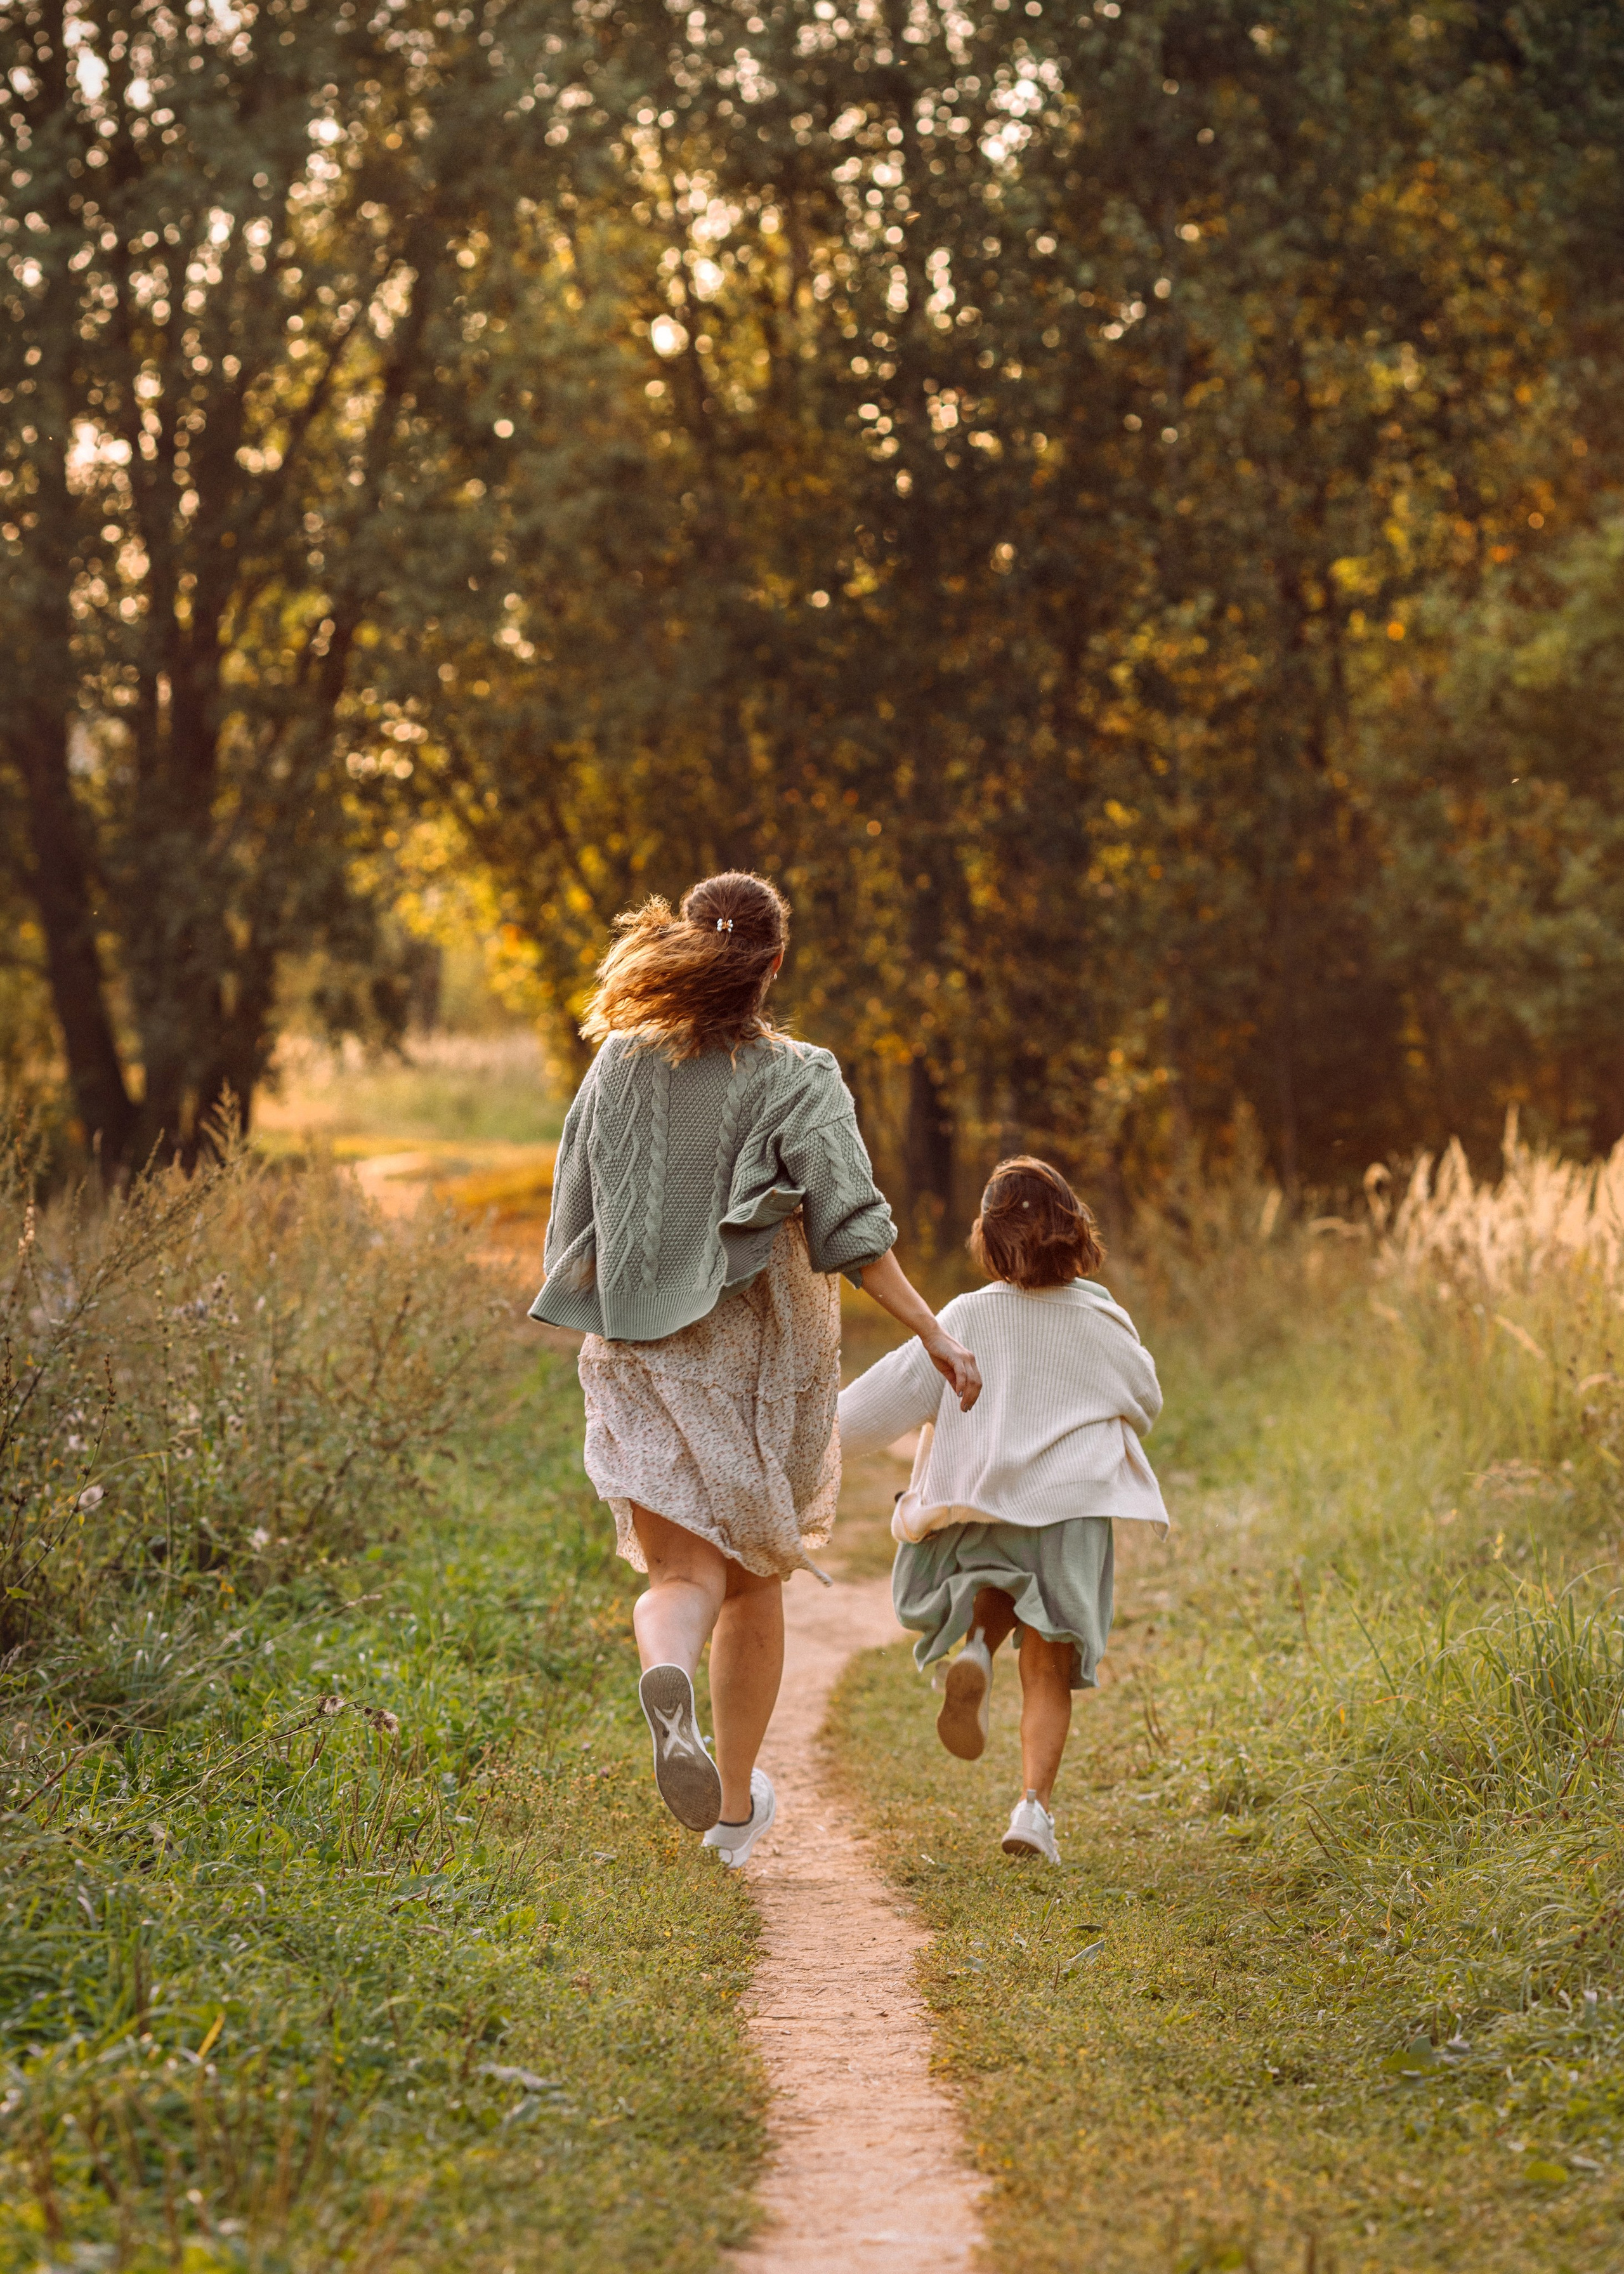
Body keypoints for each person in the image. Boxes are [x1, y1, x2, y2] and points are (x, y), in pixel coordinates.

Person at [530, 871, 981, 1865]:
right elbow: (854, 1232)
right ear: (775, 963)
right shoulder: (802, 1075)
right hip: (756, 1366)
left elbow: (579, 1205)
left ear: (690, 947)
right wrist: (933, 1334)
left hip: (638, 1354)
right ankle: (733, 1814)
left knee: (679, 1575)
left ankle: (666, 1672)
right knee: (752, 1584)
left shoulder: (618, 1067)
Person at [836, 1157, 1167, 1866]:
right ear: (1073, 1230)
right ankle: (1032, 1811)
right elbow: (1145, 1403)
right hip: (1068, 1512)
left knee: (991, 1585)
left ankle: (978, 1649)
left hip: (981, 1504)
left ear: (986, 1239)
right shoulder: (1102, 1317)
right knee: (1048, 1666)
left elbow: (874, 1408)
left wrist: (796, 1442)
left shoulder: (962, 1317)